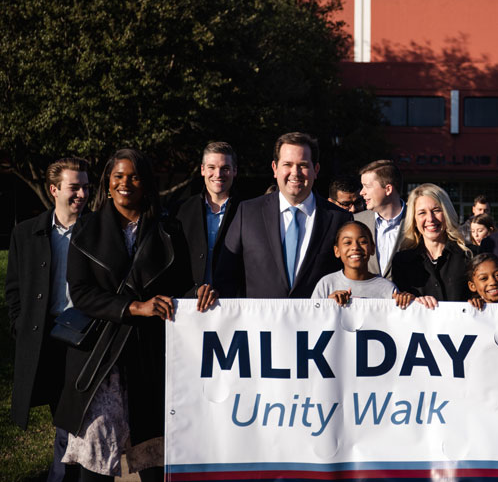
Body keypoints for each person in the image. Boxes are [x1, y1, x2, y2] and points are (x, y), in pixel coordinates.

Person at [53, 149, 212, 481]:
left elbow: (181, 285)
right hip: (100, 362)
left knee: (153, 464)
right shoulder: (87, 228)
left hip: (150, 359)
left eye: (134, 176)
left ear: (147, 184)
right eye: (118, 176)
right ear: (108, 184)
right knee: (95, 469)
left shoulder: (168, 230)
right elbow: (80, 292)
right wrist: (132, 307)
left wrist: (194, 295)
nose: (126, 183)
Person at [7, 157, 90, 482]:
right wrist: (21, 327)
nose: (81, 194)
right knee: (61, 417)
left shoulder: (97, 229)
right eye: (74, 187)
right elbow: (14, 289)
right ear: (54, 189)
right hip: (49, 338)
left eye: (85, 186)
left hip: (87, 339)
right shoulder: (26, 233)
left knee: (83, 419)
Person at [215, 132, 352, 298]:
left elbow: (351, 278)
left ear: (315, 170)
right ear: (275, 168)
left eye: (303, 165)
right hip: (259, 322)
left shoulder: (340, 219)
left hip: (318, 321)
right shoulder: (248, 213)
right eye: (287, 164)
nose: (295, 173)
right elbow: (226, 277)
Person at [391, 184, 472, 305]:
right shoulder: (402, 261)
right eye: (422, 213)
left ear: (447, 213)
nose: (430, 218)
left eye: (436, 210)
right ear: (414, 219)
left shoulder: (469, 255)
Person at [175, 141, 240, 291]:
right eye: (212, 167)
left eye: (225, 168)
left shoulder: (247, 211)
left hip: (232, 305)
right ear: (203, 170)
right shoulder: (180, 211)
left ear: (235, 171)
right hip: (189, 304)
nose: (218, 174)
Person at [311, 221, 413, 308]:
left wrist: (405, 301)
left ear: (372, 248)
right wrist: (326, 305)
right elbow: (312, 318)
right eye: (347, 242)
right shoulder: (326, 284)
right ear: (337, 251)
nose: (355, 247)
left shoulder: (387, 288)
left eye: (363, 242)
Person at [355, 160, 406, 280]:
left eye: (367, 186)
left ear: (388, 189)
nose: (362, 192)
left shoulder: (418, 221)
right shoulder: (357, 222)